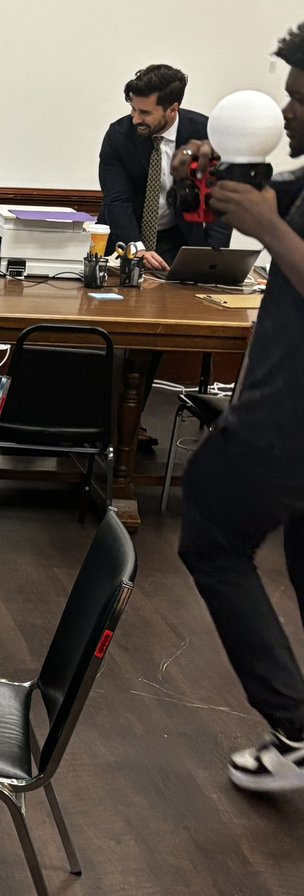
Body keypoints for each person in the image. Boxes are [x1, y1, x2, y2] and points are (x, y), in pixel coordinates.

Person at [176, 23, 304, 792]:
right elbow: (273, 193)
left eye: (297, 97)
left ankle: (294, 727)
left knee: (212, 537)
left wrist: (267, 227)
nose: (287, 109)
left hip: (283, 423)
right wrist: (223, 171)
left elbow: (274, 220)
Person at [98, 63, 232, 273]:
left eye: (145, 112)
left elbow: (220, 203)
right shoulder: (118, 136)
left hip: (178, 240)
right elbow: (116, 199)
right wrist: (136, 249)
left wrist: (215, 258)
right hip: (123, 241)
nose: (135, 119)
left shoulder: (205, 135)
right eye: (133, 109)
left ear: (172, 110)